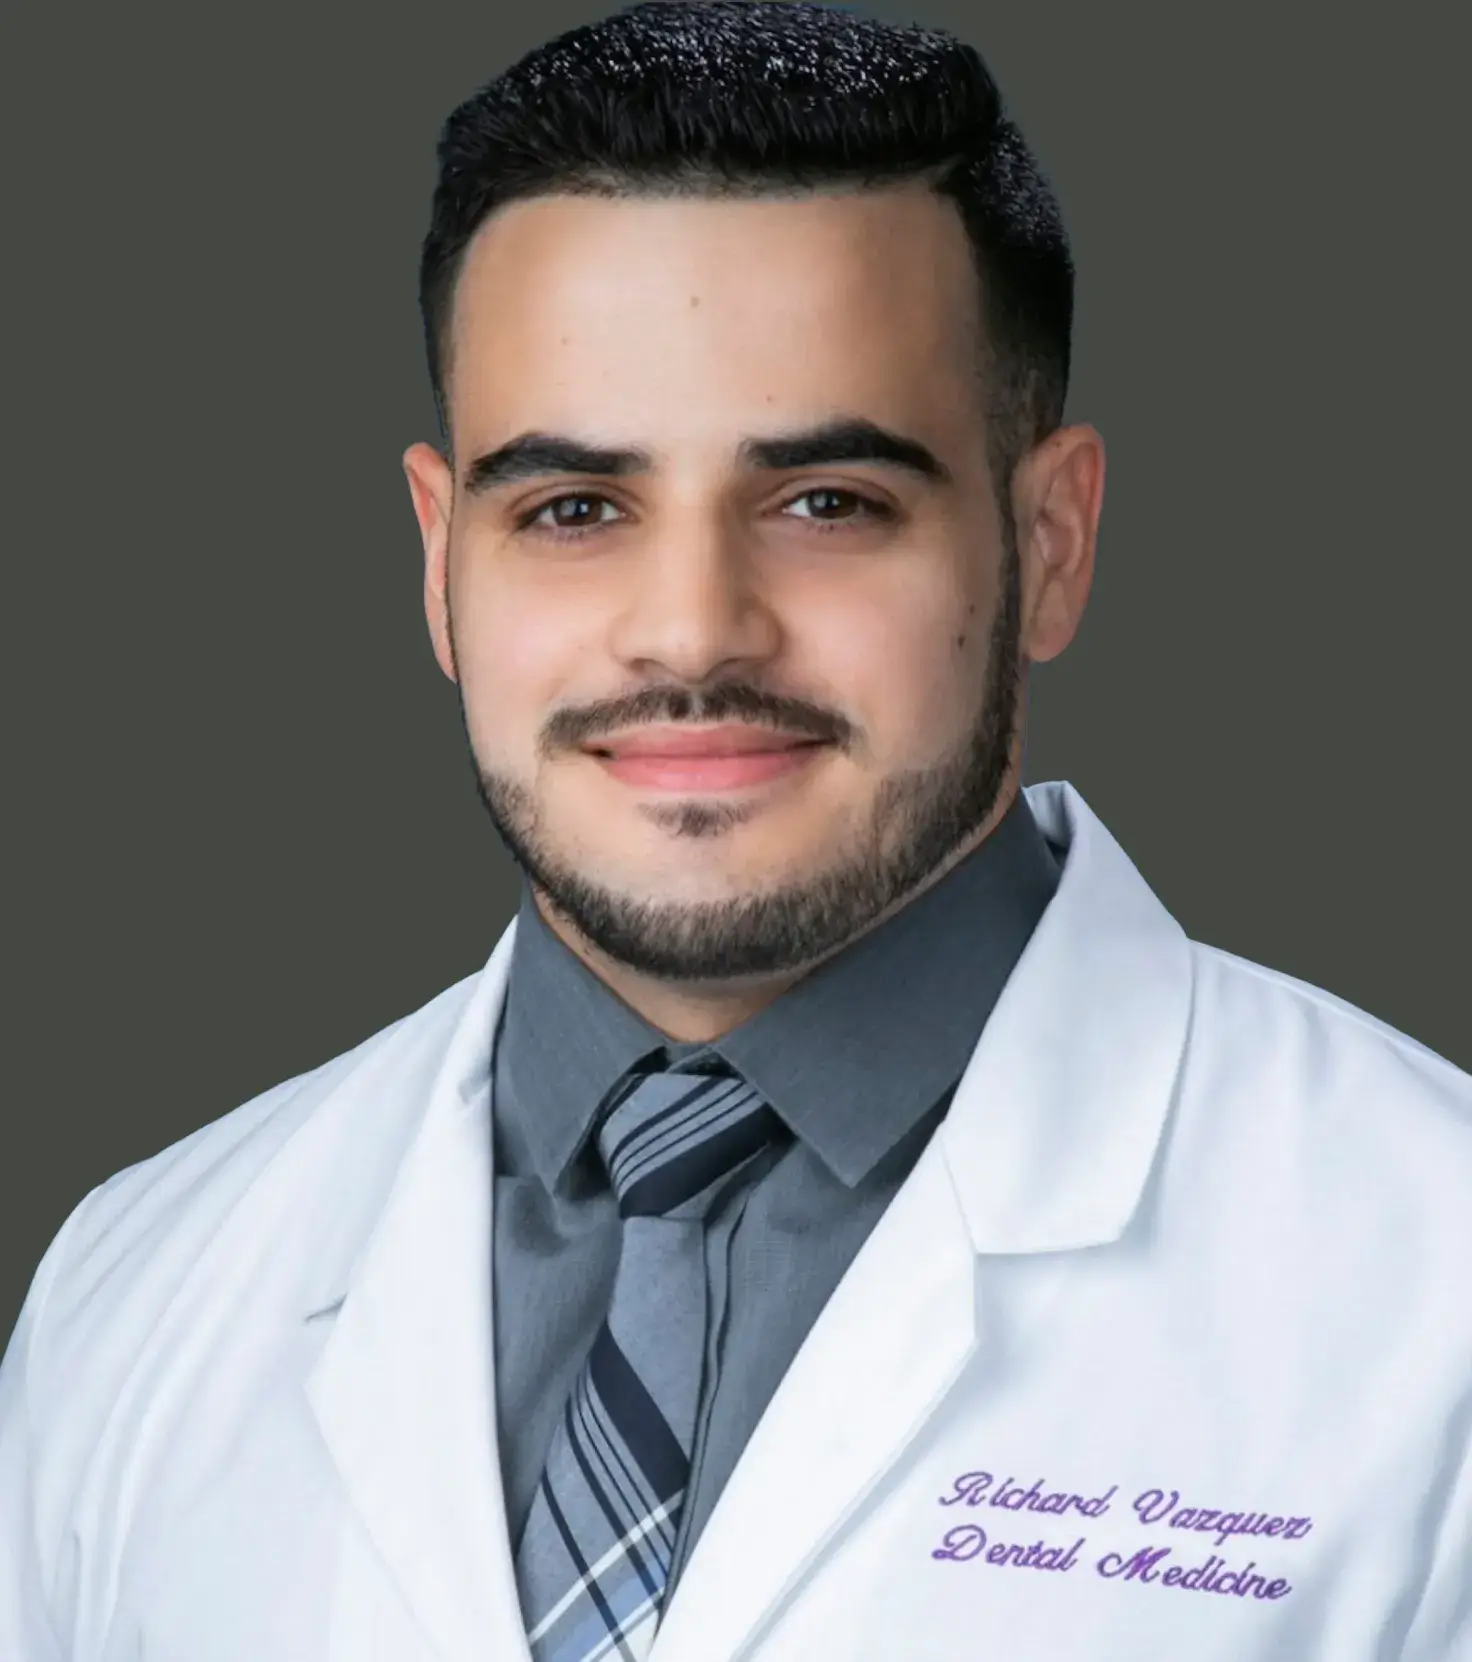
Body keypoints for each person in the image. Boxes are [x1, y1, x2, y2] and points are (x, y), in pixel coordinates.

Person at [3, 2, 1469, 1657]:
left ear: (1051, 541)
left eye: (826, 504)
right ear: (437, 559)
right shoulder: (131, 1299)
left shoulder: (1432, 1292)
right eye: (573, 508)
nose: (691, 633)